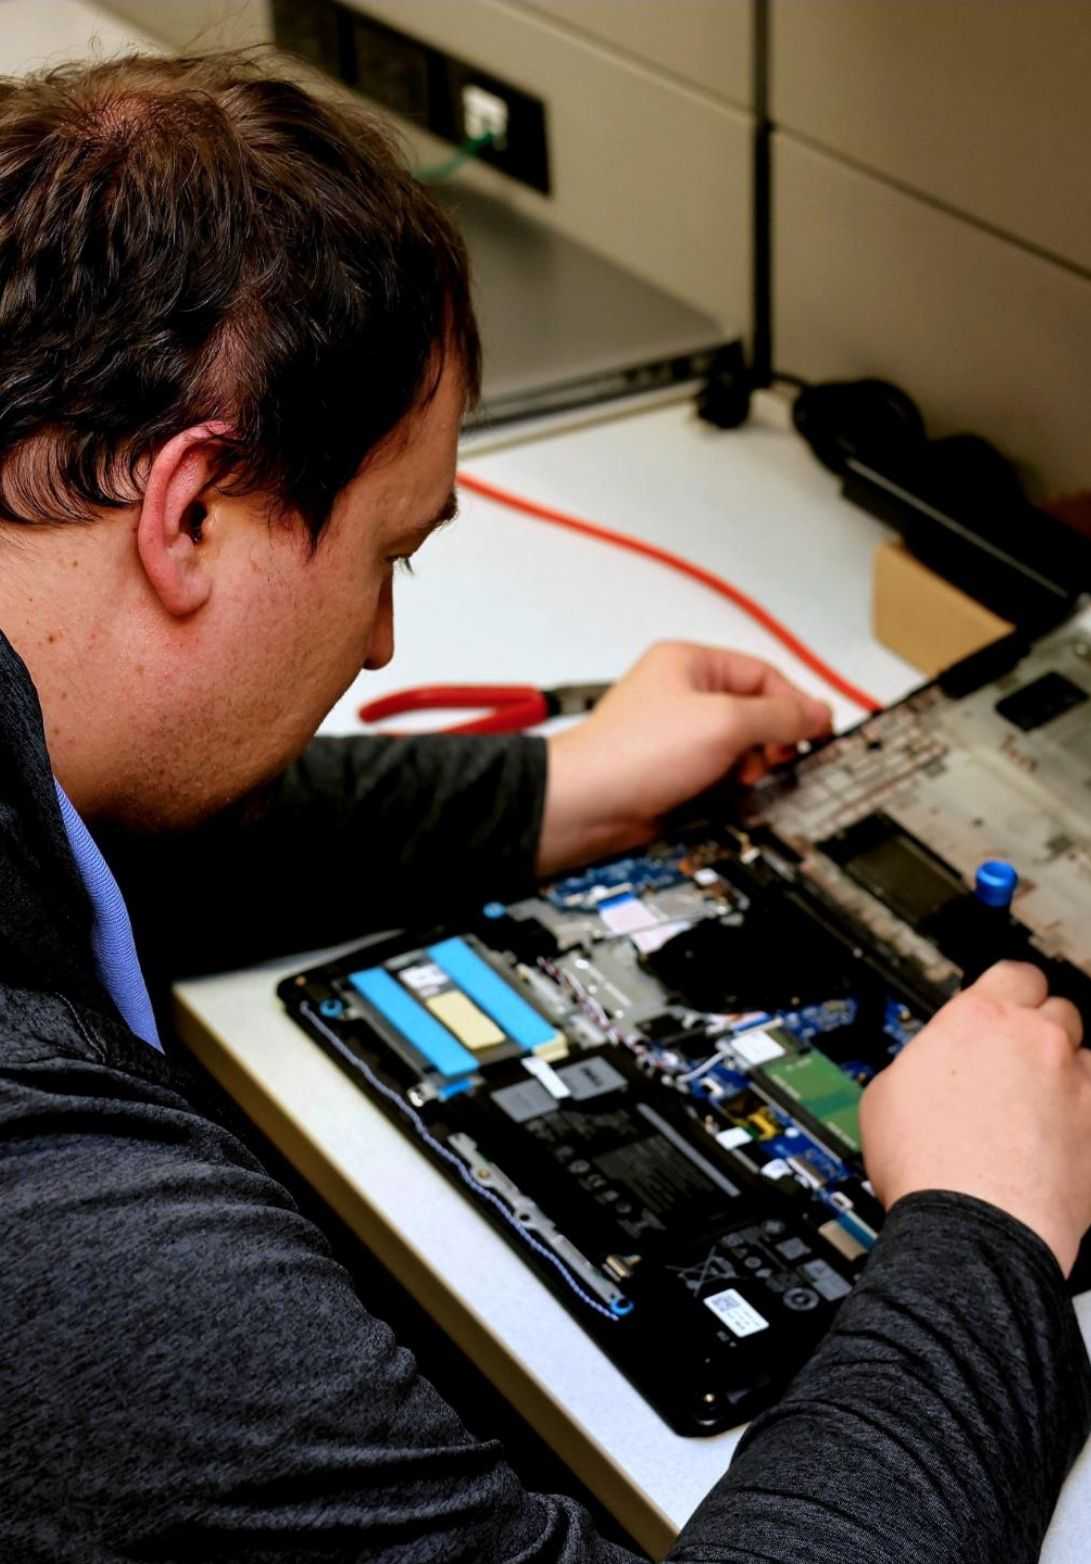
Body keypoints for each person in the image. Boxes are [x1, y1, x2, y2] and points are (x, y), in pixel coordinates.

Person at [1, 51, 1089, 1564]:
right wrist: (989, 1233)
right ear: (189, 512)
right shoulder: (76, 1241)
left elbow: (79, 826)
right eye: (390, 554)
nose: (383, 645)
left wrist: (547, 788)